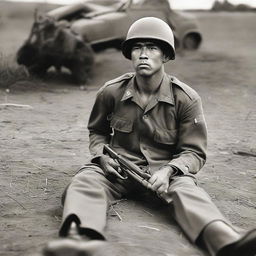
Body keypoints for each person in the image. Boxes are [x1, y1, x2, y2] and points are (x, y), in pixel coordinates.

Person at [43, 17, 256, 256]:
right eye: (137, 47)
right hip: (118, 170)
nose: (143, 54)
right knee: (84, 181)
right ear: (130, 54)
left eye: (152, 47)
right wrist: (103, 157)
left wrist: (169, 171)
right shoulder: (111, 91)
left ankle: (227, 243)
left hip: (164, 175)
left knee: (188, 192)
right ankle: (78, 239)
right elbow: (98, 132)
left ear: (165, 56)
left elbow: (194, 152)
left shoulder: (185, 98)